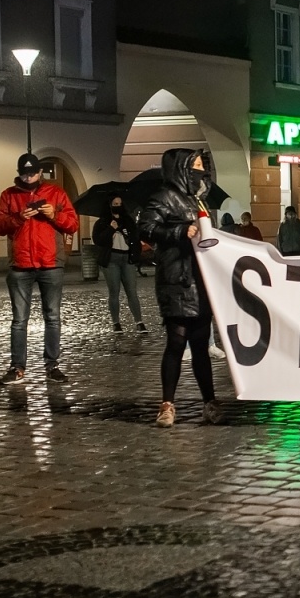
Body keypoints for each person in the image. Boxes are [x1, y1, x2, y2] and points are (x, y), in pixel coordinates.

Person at [136, 148, 224, 428]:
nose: (201, 170)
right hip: (177, 279)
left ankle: (209, 402)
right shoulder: (164, 197)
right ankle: (167, 404)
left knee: (201, 345)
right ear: (182, 168)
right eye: (196, 166)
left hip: (201, 280)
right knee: (176, 343)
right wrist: (178, 232)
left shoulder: (197, 198)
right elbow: (146, 228)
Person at [0, 153, 77, 386]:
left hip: (50, 263)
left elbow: (73, 224)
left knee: (53, 317)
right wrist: (18, 218)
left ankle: (52, 365)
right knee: (19, 320)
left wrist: (53, 215)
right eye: (24, 174)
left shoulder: (56, 193)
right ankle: (17, 367)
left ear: (40, 173)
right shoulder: (9, 195)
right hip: (21, 264)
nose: (28, 178)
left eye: (32, 173)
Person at [92, 195, 145, 333]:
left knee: (132, 291)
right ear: (109, 205)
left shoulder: (128, 221)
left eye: (120, 203)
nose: (118, 205)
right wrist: (110, 229)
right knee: (114, 291)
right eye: (115, 203)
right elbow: (98, 240)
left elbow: (136, 238)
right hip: (111, 259)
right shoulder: (102, 222)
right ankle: (116, 323)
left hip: (127, 258)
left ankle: (139, 322)